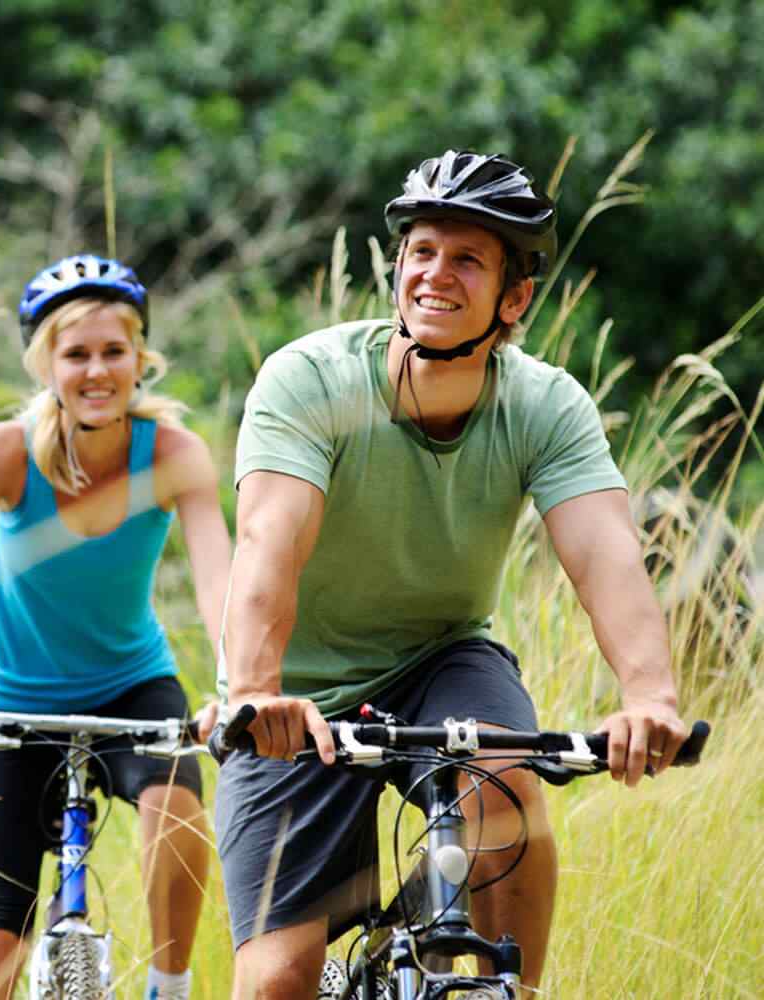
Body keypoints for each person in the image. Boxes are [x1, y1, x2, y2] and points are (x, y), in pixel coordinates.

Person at [214, 150, 689, 1000]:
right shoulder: (312, 379)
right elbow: (268, 542)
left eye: (467, 258)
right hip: (296, 693)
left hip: (442, 659)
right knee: (277, 979)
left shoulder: (545, 405)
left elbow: (605, 553)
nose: (435, 273)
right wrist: (255, 687)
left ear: (514, 299)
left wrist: (650, 697)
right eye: (422, 251)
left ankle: (511, 991)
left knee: (507, 778)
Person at [0, 254, 231, 1000]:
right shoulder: (1, 452)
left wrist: (235, 688)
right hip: (7, 702)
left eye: (113, 351)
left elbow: (222, 582)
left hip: (131, 687)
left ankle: (170, 985)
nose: (96, 370)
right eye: (75, 353)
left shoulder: (175, 454)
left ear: (139, 358)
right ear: (45, 363)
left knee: (176, 808)